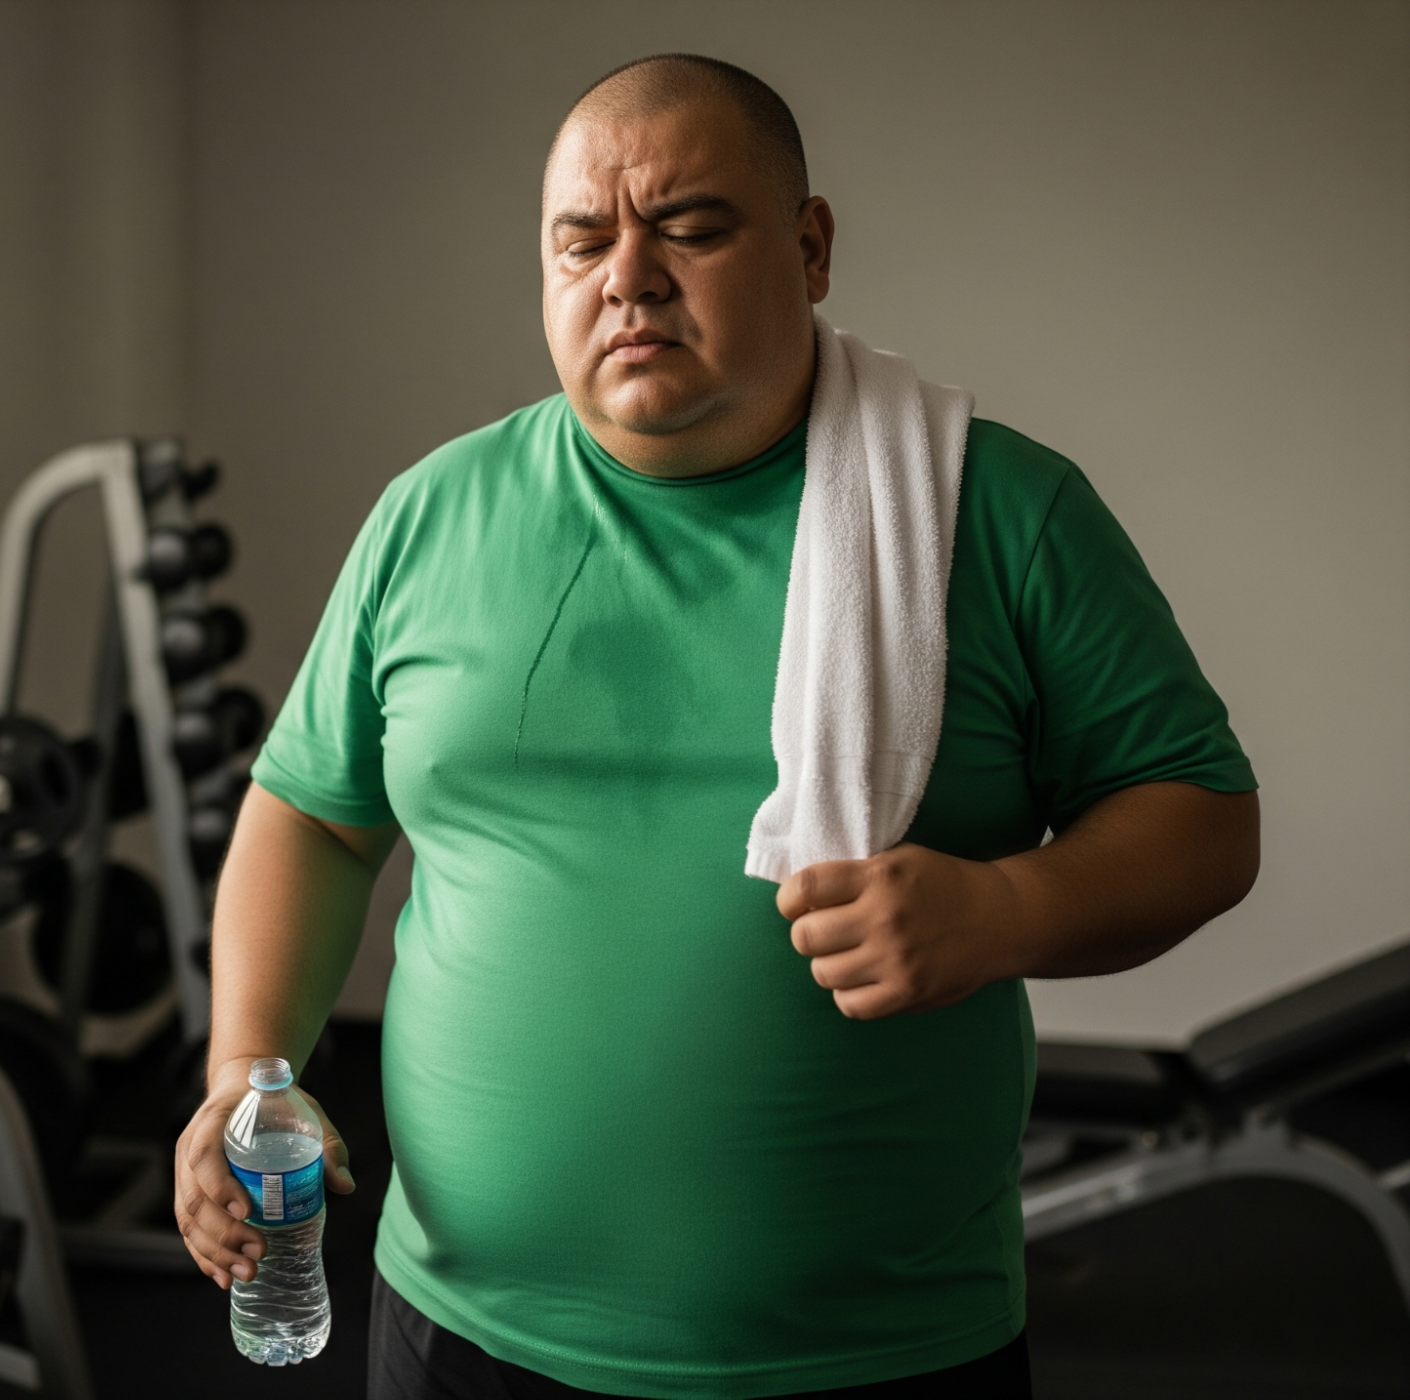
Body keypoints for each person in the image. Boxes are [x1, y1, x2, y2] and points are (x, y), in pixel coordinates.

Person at [173, 52, 1259, 1400]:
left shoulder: (998, 514)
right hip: (455, 1332)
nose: (628, 277)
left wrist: (1006, 910)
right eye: (582, 242)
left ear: (810, 249)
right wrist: (244, 1070)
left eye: (688, 227)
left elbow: (1202, 817)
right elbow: (313, 815)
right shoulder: (431, 514)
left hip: (871, 1356)